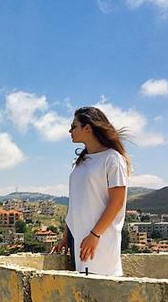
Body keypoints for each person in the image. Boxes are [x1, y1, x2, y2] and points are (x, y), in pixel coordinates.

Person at [51, 106, 130, 276]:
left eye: (74, 126)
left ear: (88, 128)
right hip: (78, 240)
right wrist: (67, 235)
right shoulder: (82, 162)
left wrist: (94, 235)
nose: (69, 130)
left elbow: (117, 202)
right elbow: (76, 204)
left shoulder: (113, 159)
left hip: (99, 241)